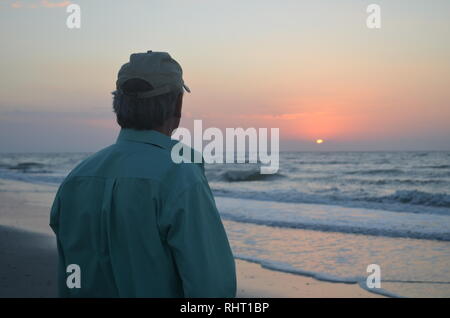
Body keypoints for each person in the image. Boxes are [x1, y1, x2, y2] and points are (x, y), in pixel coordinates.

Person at [49, 51, 236, 297]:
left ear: (118, 105)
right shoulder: (180, 177)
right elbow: (211, 289)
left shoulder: (75, 179)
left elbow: (69, 282)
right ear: (177, 105)